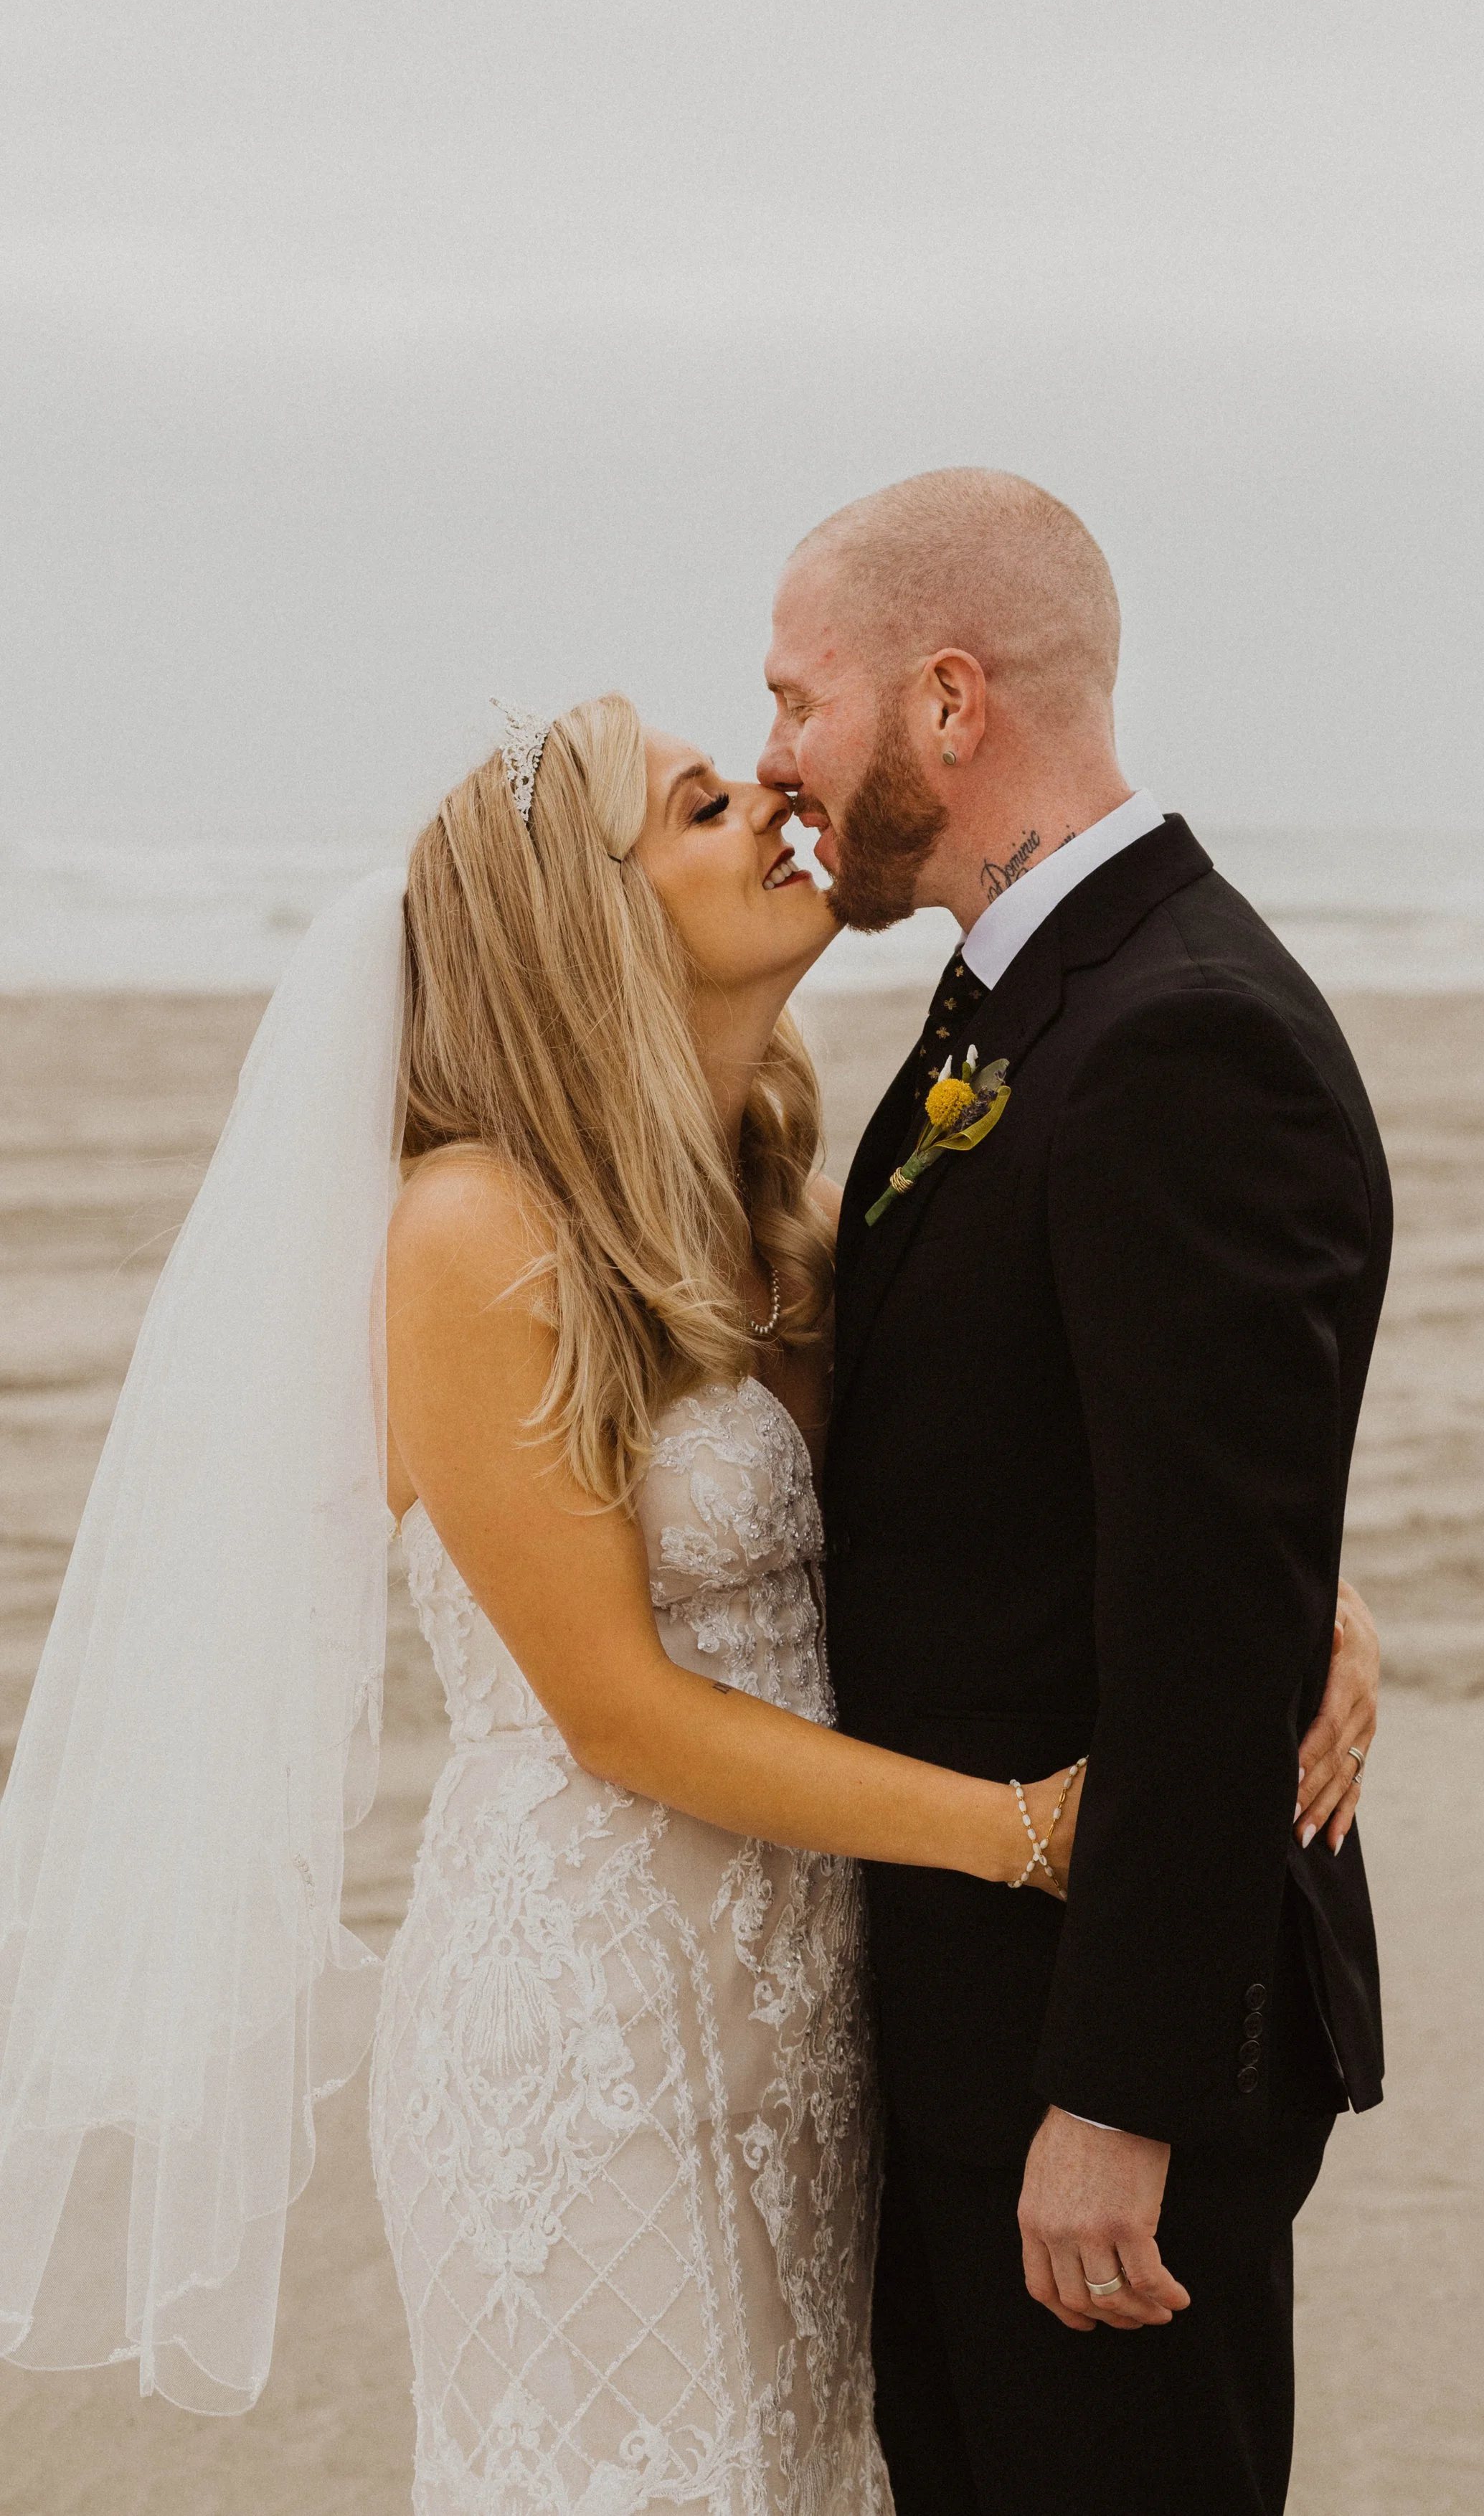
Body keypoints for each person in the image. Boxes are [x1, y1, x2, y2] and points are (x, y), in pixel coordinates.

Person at [0, 683, 1377, 2515]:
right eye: (708, 804)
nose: (781, 807)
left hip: (807, 2000)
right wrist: (1042, 1837)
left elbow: (1012, 1469)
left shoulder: (792, 1208)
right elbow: (616, 1711)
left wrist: (1301, 1592)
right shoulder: (476, 1229)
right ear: (590, 920)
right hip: (593, 2009)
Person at [758, 468, 1391, 2515]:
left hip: (1093, 2058)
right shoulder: (1032, 999)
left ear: (949, 700)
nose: (776, 755)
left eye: (797, 696)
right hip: (970, 2017)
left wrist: (1114, 2100)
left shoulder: (1180, 1034)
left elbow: (1205, 1631)